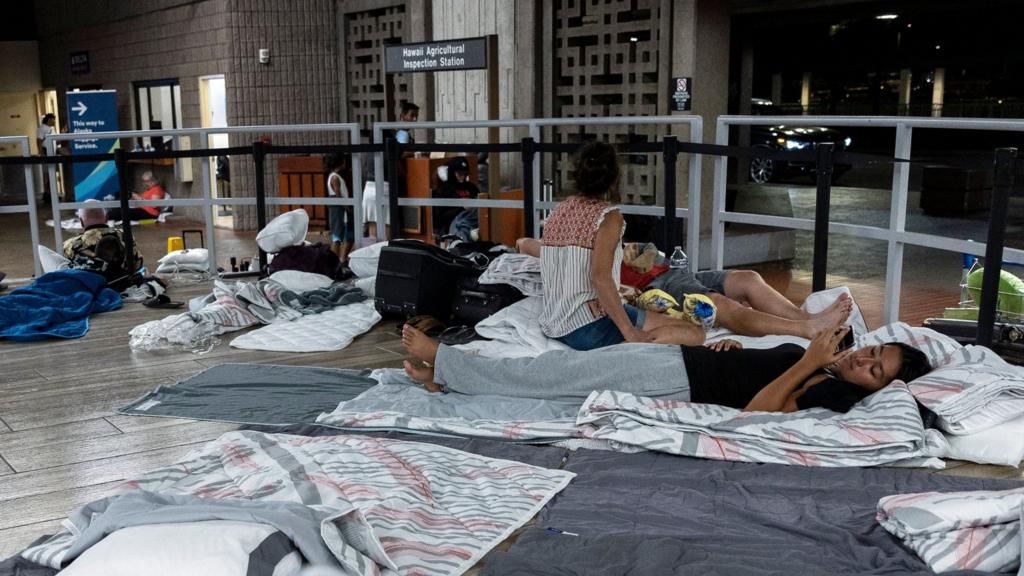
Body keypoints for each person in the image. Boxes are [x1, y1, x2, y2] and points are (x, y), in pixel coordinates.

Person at [400, 323, 932, 414]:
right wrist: (738, 353)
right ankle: (452, 379)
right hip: (681, 360)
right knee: (559, 368)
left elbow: (759, 410)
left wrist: (811, 362)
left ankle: (444, 360)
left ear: (874, 389)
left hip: (675, 379)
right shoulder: (824, 365)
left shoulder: (829, 390)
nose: (862, 358)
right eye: (872, 350)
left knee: (554, 376)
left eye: (874, 370)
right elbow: (759, 372)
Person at [535, 141, 704, 351]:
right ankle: (624, 352)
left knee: (659, 322)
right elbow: (599, 277)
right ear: (615, 179)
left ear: (577, 174)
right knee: (695, 333)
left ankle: (629, 345)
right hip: (587, 326)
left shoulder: (558, 211)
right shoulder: (608, 217)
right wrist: (629, 331)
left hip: (555, 323)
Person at [516, 237, 852, 340]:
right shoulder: (575, 256)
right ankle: (806, 329)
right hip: (655, 286)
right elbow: (523, 243)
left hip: (674, 270)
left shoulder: (607, 232)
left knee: (748, 278)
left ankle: (805, 319)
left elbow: (647, 254)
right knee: (718, 303)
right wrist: (558, 244)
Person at [62, 200, 141, 288]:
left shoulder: (70, 245)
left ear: (81, 222)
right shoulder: (124, 236)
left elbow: (67, 272)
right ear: (107, 218)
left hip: (91, 289)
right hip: (126, 286)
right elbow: (138, 263)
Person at [433, 156, 479, 242]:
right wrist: (461, 208)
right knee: (462, 226)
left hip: (474, 221)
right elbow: (439, 217)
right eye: (459, 174)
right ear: (452, 172)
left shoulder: (472, 187)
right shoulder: (444, 190)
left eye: (465, 174)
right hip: (454, 225)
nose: (463, 177)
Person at [325, 152, 355, 264]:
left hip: (339, 209)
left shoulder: (334, 176)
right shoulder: (335, 178)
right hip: (339, 210)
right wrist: (348, 209)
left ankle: (341, 259)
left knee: (343, 235)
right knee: (337, 237)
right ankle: (335, 261)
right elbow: (338, 195)